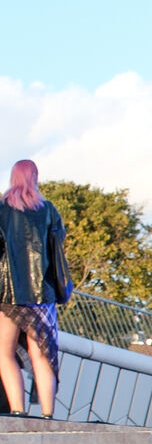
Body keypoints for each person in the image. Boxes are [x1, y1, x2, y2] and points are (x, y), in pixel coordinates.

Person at [0, 160, 70, 420]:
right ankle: (48, 413)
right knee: (41, 354)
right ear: (35, 177)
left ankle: (17, 409)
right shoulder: (49, 210)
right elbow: (57, 245)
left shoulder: (2, 210)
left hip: (7, 294)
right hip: (43, 294)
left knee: (4, 352)